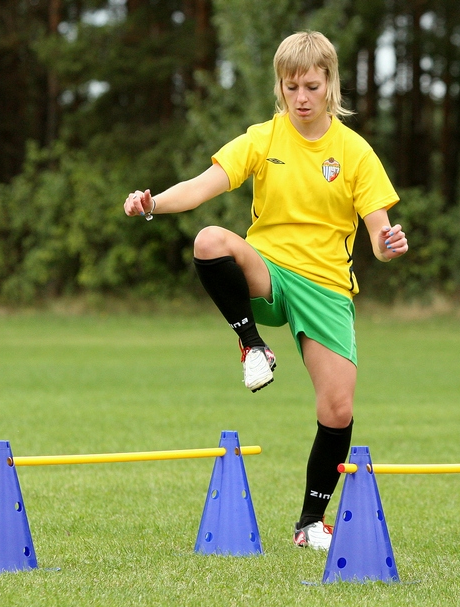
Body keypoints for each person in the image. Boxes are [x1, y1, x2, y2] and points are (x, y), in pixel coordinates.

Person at [123, 30, 408, 550]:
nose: (302, 97)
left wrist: (390, 244)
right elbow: (200, 186)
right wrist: (153, 203)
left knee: (338, 409)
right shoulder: (263, 138)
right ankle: (253, 345)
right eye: (292, 86)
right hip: (269, 272)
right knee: (210, 240)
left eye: (312, 86)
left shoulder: (356, 153)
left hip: (325, 289)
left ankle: (310, 524)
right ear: (280, 87)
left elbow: (379, 236)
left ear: (331, 86)